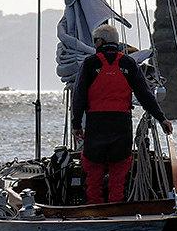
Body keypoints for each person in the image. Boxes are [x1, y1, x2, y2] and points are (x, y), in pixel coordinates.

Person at [70, 22, 171, 204]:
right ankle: (117, 207)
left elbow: (79, 97)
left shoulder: (89, 64)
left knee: (93, 170)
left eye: (95, 41)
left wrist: (76, 124)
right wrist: (161, 118)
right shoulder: (128, 63)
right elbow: (145, 94)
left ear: (100, 41)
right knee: (119, 169)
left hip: (96, 124)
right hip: (121, 124)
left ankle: (94, 210)